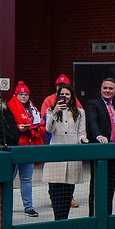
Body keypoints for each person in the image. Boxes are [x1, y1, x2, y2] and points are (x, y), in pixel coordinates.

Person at [42, 84, 87, 219]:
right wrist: (55, 112)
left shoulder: (80, 112)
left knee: (68, 191)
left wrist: (83, 139)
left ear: (72, 96)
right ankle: (57, 220)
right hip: (56, 154)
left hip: (72, 155)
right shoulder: (51, 110)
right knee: (55, 190)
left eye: (68, 94)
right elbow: (49, 130)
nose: (65, 97)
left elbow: (81, 132)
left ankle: (64, 220)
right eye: (63, 94)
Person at [83, 77, 115, 203]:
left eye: (110, 88)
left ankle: (108, 217)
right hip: (100, 150)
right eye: (105, 88)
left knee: (110, 186)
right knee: (97, 186)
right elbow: (92, 122)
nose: (107, 90)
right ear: (101, 89)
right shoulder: (93, 104)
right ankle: (94, 217)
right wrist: (99, 136)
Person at [7, 80, 44, 216]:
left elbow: (41, 123)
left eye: (26, 94)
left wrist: (34, 128)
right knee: (9, 178)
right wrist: (18, 128)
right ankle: (5, 206)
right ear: (16, 95)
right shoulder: (10, 107)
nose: (23, 96)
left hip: (29, 146)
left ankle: (28, 207)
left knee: (27, 179)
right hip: (16, 147)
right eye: (21, 94)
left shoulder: (32, 109)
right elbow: (8, 127)